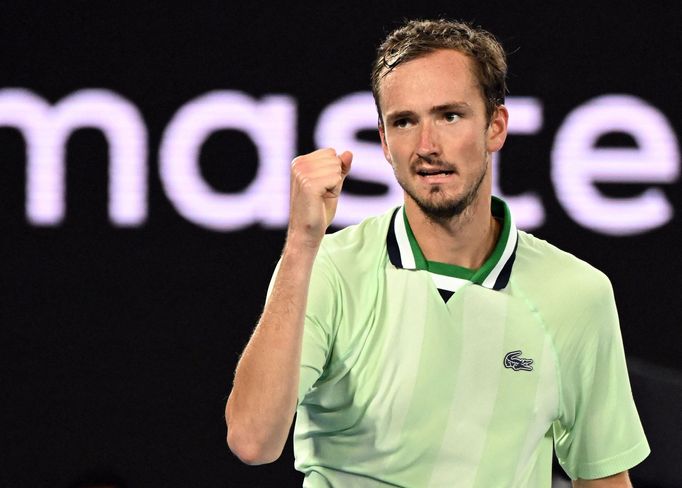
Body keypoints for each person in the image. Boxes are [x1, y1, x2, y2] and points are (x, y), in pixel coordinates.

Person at [225, 18, 650, 487]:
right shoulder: (326, 268)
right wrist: (303, 244)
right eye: (404, 122)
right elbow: (253, 441)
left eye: (450, 116)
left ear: (496, 126)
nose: (427, 147)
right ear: (385, 143)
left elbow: (605, 479)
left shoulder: (577, 294)